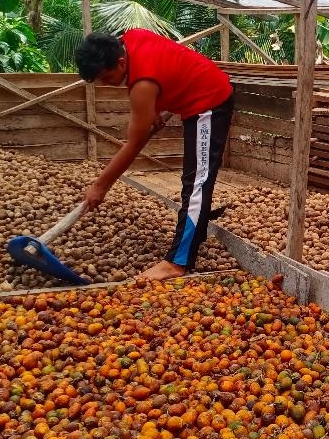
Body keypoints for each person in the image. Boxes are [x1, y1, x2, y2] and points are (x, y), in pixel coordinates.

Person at [75, 29, 234, 280]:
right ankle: (196, 232)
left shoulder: (142, 85)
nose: (106, 84)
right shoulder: (130, 38)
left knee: (197, 184)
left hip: (209, 102)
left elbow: (133, 145)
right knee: (193, 182)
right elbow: (167, 63)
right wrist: (156, 106)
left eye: (106, 77)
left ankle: (177, 262)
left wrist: (100, 185)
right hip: (196, 93)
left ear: (121, 63)